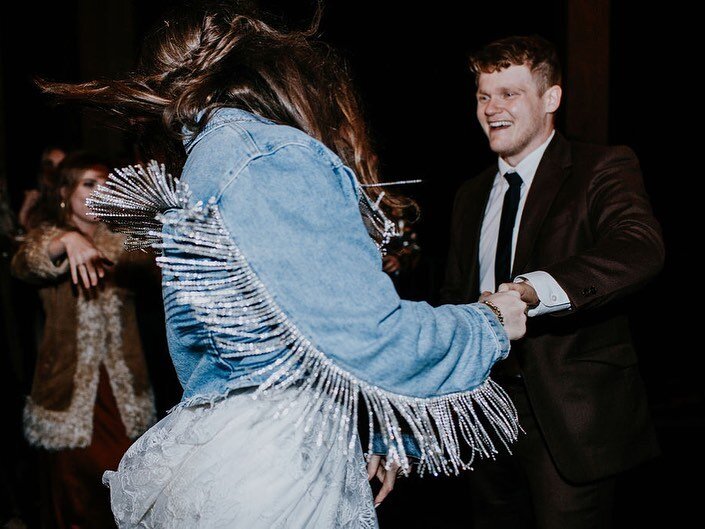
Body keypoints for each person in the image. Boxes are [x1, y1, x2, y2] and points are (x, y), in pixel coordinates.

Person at [39, 3, 528, 527]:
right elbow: (369, 337)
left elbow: (261, 348)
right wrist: (489, 322)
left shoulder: (208, 157)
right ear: (271, 69)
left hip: (233, 456)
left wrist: (363, 431)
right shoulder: (265, 155)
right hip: (280, 473)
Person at [440, 35, 665, 528]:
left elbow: (639, 247)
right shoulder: (469, 194)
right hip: (481, 413)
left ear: (551, 99)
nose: (492, 108)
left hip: (569, 420)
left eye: (509, 94)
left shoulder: (602, 167)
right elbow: (453, 295)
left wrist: (529, 290)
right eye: (483, 96)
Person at [11, 151, 156, 529]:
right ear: (65, 191)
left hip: (122, 392)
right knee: (72, 499)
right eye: (89, 183)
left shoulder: (122, 239)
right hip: (66, 391)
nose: (99, 192)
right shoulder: (46, 235)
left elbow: (155, 263)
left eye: (105, 184)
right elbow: (25, 262)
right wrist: (67, 241)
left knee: (123, 491)